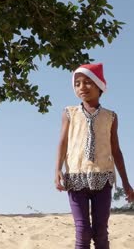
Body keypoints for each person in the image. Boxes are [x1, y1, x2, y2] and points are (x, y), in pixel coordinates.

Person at [54, 63, 134, 249]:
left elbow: (116, 150)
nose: (82, 87)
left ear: (100, 86)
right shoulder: (69, 114)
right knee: (82, 231)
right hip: (75, 178)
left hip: (103, 179)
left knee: (100, 231)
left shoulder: (111, 117)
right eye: (78, 83)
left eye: (88, 82)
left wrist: (126, 182)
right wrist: (58, 169)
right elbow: (63, 142)